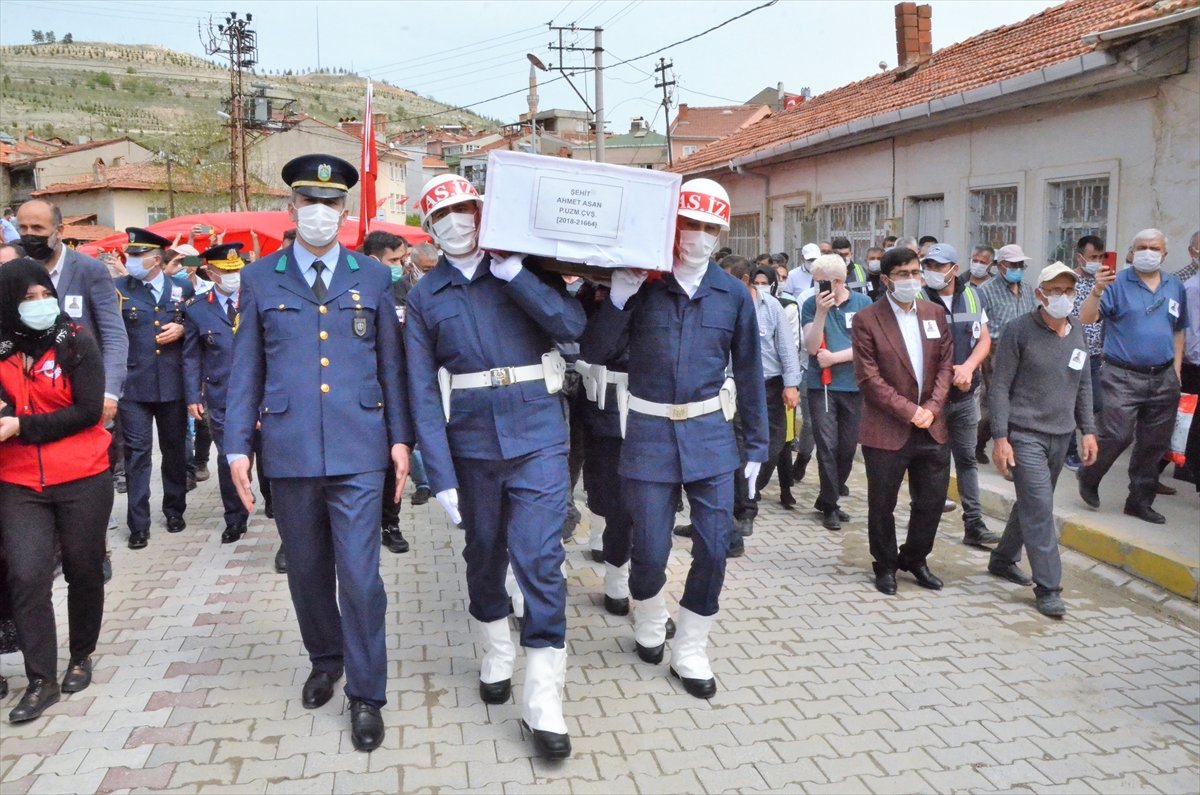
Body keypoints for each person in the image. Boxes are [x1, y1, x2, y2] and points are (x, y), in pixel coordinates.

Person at [225, 154, 412, 753]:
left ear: (346, 212)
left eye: (331, 206)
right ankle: (325, 659)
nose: (320, 214)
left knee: (360, 577)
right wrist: (235, 448)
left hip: (360, 449)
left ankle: (367, 693)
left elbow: (392, 365)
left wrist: (400, 439)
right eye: (310, 204)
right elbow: (245, 372)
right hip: (290, 448)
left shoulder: (373, 278)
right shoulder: (260, 278)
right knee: (306, 571)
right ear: (292, 209)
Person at [404, 173, 583, 759]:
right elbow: (422, 394)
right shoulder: (424, 297)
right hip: (472, 444)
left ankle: (543, 697)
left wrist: (516, 276)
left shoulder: (525, 271)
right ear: (429, 231)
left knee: (539, 556)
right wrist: (441, 477)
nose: (457, 223)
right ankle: (495, 651)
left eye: (465, 210)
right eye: (443, 217)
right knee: (484, 553)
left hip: (539, 434)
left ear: (484, 213)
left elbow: (572, 327)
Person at [581, 177, 767, 703]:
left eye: (709, 228)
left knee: (713, 545)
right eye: (690, 225)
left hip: (710, 436)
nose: (698, 237)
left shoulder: (733, 294)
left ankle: (691, 644)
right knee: (651, 546)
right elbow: (595, 350)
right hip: (647, 433)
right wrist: (617, 297)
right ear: (672, 226)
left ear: (721, 233)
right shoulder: (644, 286)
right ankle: (650, 610)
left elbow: (750, 373)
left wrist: (756, 445)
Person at [0, 259, 114, 723]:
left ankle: (81, 655)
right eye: (27, 299)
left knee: (83, 569)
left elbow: (89, 412)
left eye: (44, 294)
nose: (39, 305)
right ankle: (40, 679)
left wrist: (21, 425)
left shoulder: (77, 342)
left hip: (82, 475)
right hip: (18, 480)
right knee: (26, 575)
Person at [988, 262, 1097, 617]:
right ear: (1040, 294)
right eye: (1055, 291)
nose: (1062, 297)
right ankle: (1049, 587)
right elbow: (1000, 387)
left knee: (1033, 503)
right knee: (1040, 508)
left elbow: (1083, 384)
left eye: (1068, 291)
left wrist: (1088, 430)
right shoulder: (1018, 331)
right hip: (1024, 434)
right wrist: (1000, 438)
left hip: (1061, 435)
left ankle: (1003, 558)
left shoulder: (1077, 330)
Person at [853, 246, 954, 595]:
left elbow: (945, 364)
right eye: (903, 275)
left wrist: (932, 407)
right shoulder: (867, 319)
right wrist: (910, 410)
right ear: (886, 280)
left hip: (933, 425)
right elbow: (869, 379)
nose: (912, 280)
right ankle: (884, 564)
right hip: (888, 428)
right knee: (883, 503)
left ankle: (914, 556)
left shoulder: (934, 313)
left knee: (931, 501)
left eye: (915, 273)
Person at [1077, 229, 1187, 524]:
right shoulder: (1115, 283)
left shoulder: (1175, 285)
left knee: (1154, 442)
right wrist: (1097, 290)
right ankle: (1089, 475)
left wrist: (1176, 369)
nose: (1148, 252)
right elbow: (1086, 318)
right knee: (1116, 434)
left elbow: (1178, 330)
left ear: (1164, 254)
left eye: (1154, 247)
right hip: (1121, 374)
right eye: (1142, 247)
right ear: (1131, 251)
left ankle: (1139, 501)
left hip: (1163, 376)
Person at [16, 200, 127, 431]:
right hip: (33, 396)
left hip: (84, 395)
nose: (29, 235)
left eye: (37, 228)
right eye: (23, 228)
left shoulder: (89, 270)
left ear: (59, 231)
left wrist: (109, 392)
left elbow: (113, 334)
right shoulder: (16, 272)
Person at [115, 228, 194, 549]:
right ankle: (138, 523)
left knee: (175, 450)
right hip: (134, 386)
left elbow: (200, 323)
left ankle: (174, 509)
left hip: (173, 384)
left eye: (137, 255)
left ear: (157, 259)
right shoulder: (119, 288)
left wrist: (184, 327)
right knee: (137, 455)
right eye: (130, 255)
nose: (130, 260)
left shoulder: (182, 287)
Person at [921, 244, 997, 547]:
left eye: (939, 266)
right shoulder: (918, 298)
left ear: (953, 268)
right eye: (929, 265)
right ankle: (925, 521)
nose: (933, 272)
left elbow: (984, 339)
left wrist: (968, 367)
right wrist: (951, 374)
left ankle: (974, 523)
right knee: (931, 461)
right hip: (930, 399)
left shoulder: (971, 295)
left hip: (965, 397)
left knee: (966, 459)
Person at [182, 243, 249, 544]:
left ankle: (274, 502)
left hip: (261, 393)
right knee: (228, 457)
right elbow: (191, 357)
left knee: (270, 452)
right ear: (210, 272)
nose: (234, 276)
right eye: (226, 271)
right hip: (221, 393)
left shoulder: (254, 300)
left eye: (237, 270)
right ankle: (235, 518)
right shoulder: (197, 309)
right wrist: (193, 396)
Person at [801, 254, 873, 530]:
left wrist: (836, 358)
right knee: (828, 447)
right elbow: (810, 346)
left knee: (847, 447)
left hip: (854, 386)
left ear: (838, 282)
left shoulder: (863, 304)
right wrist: (820, 313)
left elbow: (867, 347)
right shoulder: (811, 304)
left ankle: (827, 495)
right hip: (823, 387)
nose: (817, 288)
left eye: (821, 283)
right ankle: (830, 505)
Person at [731, 263, 800, 543]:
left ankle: (750, 491)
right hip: (735, 386)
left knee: (771, 448)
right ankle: (745, 510)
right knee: (737, 450)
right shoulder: (728, 305)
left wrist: (791, 384)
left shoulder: (771, 306)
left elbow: (786, 346)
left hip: (770, 386)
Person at [361, 229, 413, 555]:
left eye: (403, 258)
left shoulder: (406, 288)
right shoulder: (359, 290)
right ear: (373, 260)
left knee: (396, 461)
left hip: (399, 388)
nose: (401, 265)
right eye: (394, 260)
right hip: (367, 390)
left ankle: (390, 523)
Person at [976, 244, 1037, 464]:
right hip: (996, 350)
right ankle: (981, 443)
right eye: (1013, 264)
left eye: (1021, 265)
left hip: (1025, 351)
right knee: (997, 404)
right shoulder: (985, 290)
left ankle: (1013, 453)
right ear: (999, 266)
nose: (1017, 268)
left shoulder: (1028, 289)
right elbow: (979, 326)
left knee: (1018, 403)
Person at [1063, 235, 1107, 471]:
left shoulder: (1104, 283)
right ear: (1080, 257)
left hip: (1095, 354)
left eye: (1101, 257)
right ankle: (1068, 451)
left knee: (1095, 403)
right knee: (1070, 401)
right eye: (1093, 257)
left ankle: (1083, 442)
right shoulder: (1068, 281)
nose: (1097, 262)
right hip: (1071, 352)